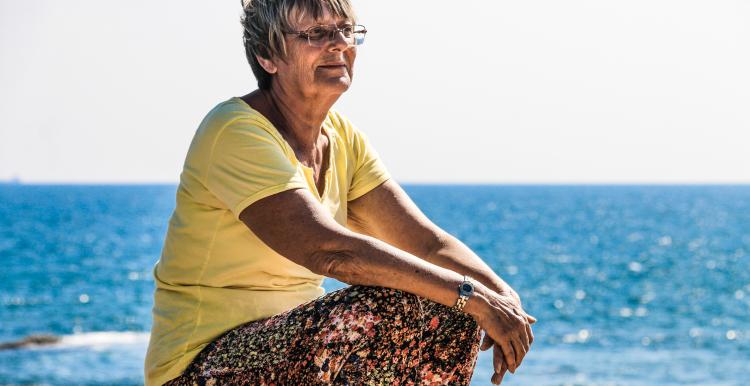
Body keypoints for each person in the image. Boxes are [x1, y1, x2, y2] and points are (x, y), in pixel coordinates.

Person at [144, 0, 537, 385]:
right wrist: (474, 296)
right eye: (316, 33)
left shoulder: (343, 138)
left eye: (345, 30)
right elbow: (332, 252)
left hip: (288, 357)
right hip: (200, 366)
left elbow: (427, 244)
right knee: (398, 301)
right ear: (268, 56)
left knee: (456, 309)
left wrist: (502, 299)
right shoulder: (235, 131)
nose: (338, 44)